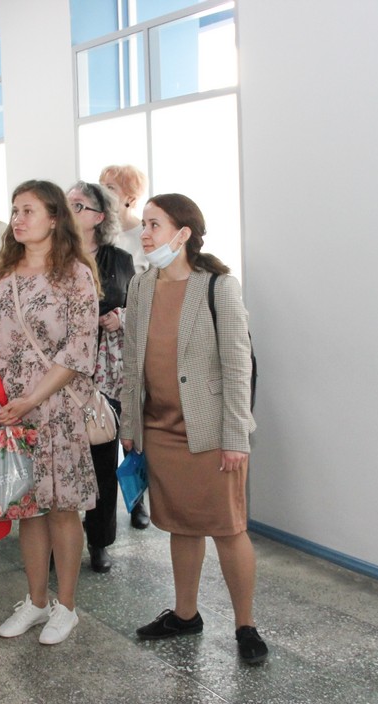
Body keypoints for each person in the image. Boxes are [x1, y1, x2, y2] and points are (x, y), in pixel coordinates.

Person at [119, 193, 267, 665]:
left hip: (210, 433)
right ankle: (186, 615)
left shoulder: (218, 286)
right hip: (160, 430)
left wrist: (236, 437)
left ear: (182, 234)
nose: (145, 233)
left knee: (228, 528)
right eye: (144, 224)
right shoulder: (141, 286)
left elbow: (238, 367)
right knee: (181, 526)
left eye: (154, 225)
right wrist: (130, 423)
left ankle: (245, 625)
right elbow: (131, 361)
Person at [0, 179, 101, 645]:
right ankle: (36, 601)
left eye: (28, 210)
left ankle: (66, 607)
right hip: (11, 412)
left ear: (54, 219)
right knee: (27, 509)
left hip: (57, 409)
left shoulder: (75, 275)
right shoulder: (0, 276)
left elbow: (79, 350)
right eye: (15, 210)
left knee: (62, 509)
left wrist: (31, 398)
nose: (18, 218)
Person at [67, 181, 134, 573]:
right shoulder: (53, 254)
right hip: (58, 372)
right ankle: (59, 539)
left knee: (101, 459)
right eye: (66, 204)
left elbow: (136, 306)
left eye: (78, 205)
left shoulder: (119, 259)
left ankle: (99, 540)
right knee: (60, 458)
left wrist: (118, 317)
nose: (69, 210)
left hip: (103, 374)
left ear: (98, 216)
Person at [100, 166, 151, 529]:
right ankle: (102, 521)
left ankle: (138, 501)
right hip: (100, 351)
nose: (104, 192)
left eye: (112, 187)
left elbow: (151, 297)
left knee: (135, 430)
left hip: (133, 344)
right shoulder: (98, 236)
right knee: (104, 429)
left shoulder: (143, 238)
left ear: (130, 197)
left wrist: (123, 317)